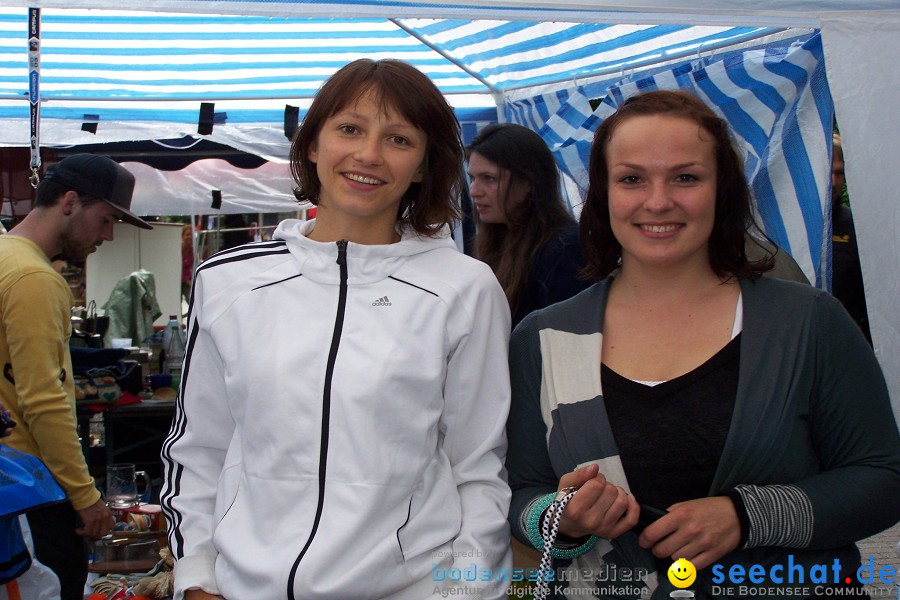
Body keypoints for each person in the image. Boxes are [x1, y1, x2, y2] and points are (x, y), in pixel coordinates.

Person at [506, 90, 900, 599]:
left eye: (686, 177)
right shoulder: (544, 338)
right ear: (603, 195)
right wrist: (565, 517)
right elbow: (519, 494)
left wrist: (749, 516)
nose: (658, 200)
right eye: (632, 179)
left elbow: (884, 478)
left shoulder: (807, 322)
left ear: (724, 191)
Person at [161, 58, 513, 600]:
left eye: (399, 139)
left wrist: (462, 593)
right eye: (349, 129)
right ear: (312, 144)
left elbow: (479, 471)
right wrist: (197, 579)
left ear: (422, 165)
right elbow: (200, 449)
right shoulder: (227, 281)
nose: (368, 155)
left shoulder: (464, 289)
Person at [0, 153, 153, 599]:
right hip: (29, 486)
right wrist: (85, 496)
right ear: (70, 202)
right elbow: (43, 400)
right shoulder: (34, 277)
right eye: (105, 220)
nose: (106, 236)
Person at [466, 123, 589, 328]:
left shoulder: (566, 250)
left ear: (529, 181)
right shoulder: (496, 241)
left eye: (489, 178)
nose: (474, 191)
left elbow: (568, 341)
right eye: (473, 178)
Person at [830, 132, 872, 344]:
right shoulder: (787, 226)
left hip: (846, 342)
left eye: (840, 173)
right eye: (829, 172)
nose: (834, 181)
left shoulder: (855, 225)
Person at [181, 223, 194, 304]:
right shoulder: (178, 249)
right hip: (178, 279)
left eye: (191, 235)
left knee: (191, 300)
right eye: (187, 235)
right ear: (182, 236)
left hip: (188, 280)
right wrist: (186, 281)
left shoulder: (193, 250)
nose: (190, 237)